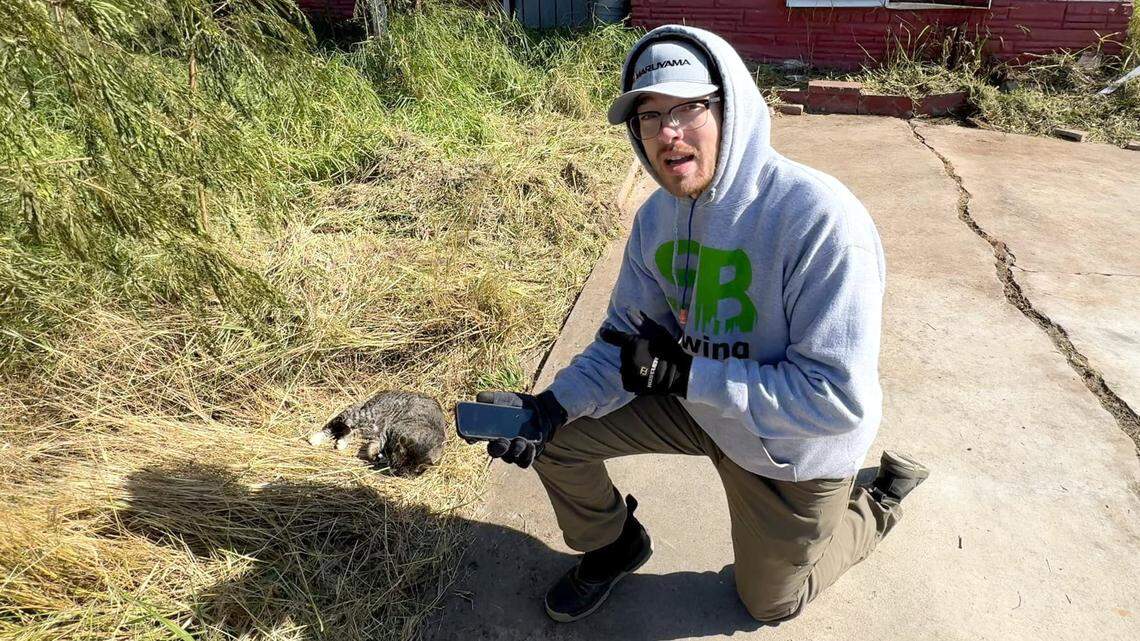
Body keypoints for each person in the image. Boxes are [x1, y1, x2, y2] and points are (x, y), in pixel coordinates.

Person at [472, 24, 930, 624]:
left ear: (730, 106)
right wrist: (552, 406)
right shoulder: (657, 218)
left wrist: (689, 375)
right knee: (554, 437)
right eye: (648, 115)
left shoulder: (819, 220)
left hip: (789, 447)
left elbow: (836, 403)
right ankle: (616, 546)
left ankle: (875, 503)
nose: (668, 132)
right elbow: (623, 341)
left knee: (770, 603)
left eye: (689, 107)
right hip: (697, 405)